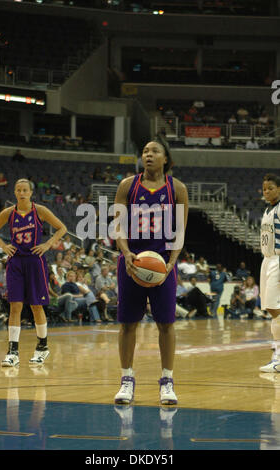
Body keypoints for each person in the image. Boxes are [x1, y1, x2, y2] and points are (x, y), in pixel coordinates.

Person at [113, 136, 188, 405]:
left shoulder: (177, 188)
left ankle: (167, 382)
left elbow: (179, 231)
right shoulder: (127, 186)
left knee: (166, 325)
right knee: (127, 324)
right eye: (145, 150)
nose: (148, 154)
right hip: (132, 262)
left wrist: (170, 262)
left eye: (155, 151)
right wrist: (125, 252)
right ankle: (126, 380)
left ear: (166, 158)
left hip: (163, 267)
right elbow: (118, 227)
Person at [0, 178, 67, 367]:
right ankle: (12, 351)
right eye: (18, 190)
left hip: (35, 261)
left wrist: (47, 244)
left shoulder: (40, 210)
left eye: (25, 190)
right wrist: (4, 246)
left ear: (31, 192)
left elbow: (62, 228)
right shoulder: (8, 213)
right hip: (15, 261)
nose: (21, 193)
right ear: (14, 192)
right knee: (15, 306)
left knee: (36, 306)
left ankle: (42, 347)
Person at [258, 174, 280, 372]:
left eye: (271, 188)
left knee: (275, 308)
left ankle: (279, 355)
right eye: (264, 189)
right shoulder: (267, 210)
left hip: (278, 259)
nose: (267, 192)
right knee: (270, 308)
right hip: (267, 259)